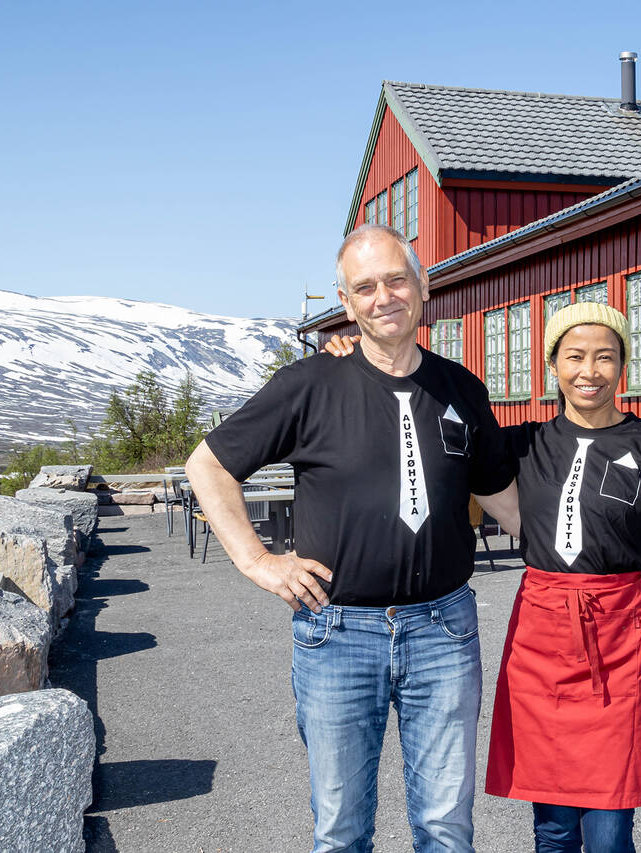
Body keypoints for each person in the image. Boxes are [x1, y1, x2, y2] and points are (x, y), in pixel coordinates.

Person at [326, 300, 641, 852]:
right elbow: (438, 435)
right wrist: (359, 353)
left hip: (621, 650)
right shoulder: (520, 444)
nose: (589, 371)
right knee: (551, 824)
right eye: (574, 356)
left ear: (623, 365)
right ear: (554, 366)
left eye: (605, 357)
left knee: (609, 828)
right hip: (542, 641)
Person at [185, 224, 517, 853]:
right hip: (337, 633)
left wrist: (591, 564)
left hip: (444, 632)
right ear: (346, 303)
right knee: (340, 831)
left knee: (447, 827)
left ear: (423, 286)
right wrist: (258, 561)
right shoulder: (309, 384)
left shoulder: (462, 389)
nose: (383, 296)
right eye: (365, 287)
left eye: (396, 279)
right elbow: (209, 464)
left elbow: (506, 498)